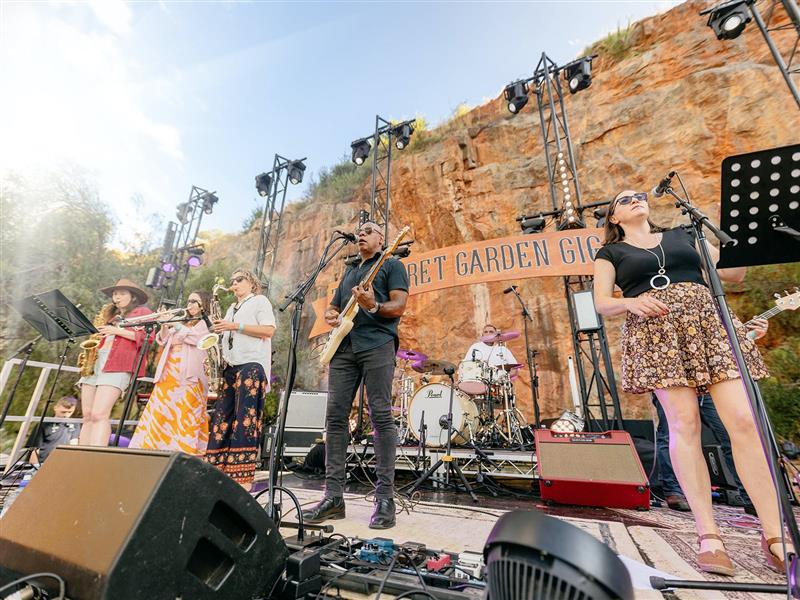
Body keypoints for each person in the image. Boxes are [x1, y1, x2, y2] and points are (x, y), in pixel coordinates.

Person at [593, 189, 792, 575]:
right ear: (614, 218)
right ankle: (709, 534)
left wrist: (730, 231)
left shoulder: (685, 235)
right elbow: (602, 301)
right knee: (684, 425)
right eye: (625, 199)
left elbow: (732, 275)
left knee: (744, 422)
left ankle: (774, 535)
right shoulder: (611, 253)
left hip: (708, 324)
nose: (636, 199)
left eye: (639, 195)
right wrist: (630, 302)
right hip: (657, 332)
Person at [302, 221, 409, 530]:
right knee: (334, 418)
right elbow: (333, 309)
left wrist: (373, 305)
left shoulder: (392, 264)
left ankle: (384, 498)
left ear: (382, 239)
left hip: (377, 344)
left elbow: (399, 305)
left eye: (369, 230)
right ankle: (333, 497)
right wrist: (331, 314)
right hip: (344, 348)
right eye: (360, 230)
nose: (361, 233)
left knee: (381, 415)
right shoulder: (349, 271)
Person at [207, 269, 276, 491]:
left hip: (252, 366)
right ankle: (216, 472)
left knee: (245, 420)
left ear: (252, 283)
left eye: (239, 280)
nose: (234, 283)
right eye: (232, 280)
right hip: (230, 367)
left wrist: (235, 326)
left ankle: (242, 479)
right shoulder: (231, 308)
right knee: (221, 419)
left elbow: (268, 330)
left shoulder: (259, 301)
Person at [130, 291, 212, 455]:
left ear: (204, 304)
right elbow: (163, 340)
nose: (190, 304)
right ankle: (152, 448)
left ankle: (182, 451)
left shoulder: (205, 324)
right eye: (189, 300)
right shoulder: (181, 321)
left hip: (189, 377)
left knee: (184, 414)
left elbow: (195, 339)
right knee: (161, 412)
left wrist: (176, 325)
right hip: (168, 374)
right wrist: (165, 324)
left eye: (195, 301)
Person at [78, 279, 150, 447]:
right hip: (96, 362)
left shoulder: (142, 312)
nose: (117, 297)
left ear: (133, 297)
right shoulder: (111, 315)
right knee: (87, 414)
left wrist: (116, 330)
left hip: (118, 365)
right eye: (115, 294)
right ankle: (81, 455)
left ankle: (95, 456)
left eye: (122, 293)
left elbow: (148, 338)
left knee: (99, 414)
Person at [28, 396, 81, 465]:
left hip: (64, 463)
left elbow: (74, 445)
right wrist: (34, 467)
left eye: (69, 412)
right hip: (44, 462)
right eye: (63, 412)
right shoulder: (44, 424)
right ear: (55, 408)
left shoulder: (75, 424)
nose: (66, 415)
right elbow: (35, 449)